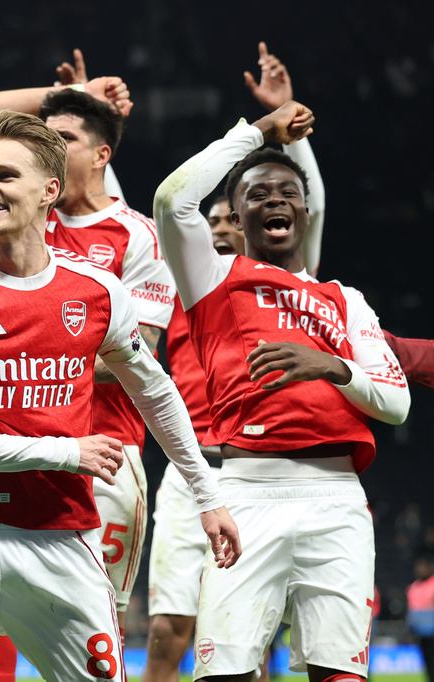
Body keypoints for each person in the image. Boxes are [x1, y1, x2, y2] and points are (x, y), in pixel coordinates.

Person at [0, 110, 239, 682]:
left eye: (5, 176)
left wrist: (207, 495)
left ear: (50, 191)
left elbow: (155, 392)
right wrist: (67, 453)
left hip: (63, 542)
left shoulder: (97, 289)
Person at [153, 100, 410, 682]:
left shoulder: (346, 299)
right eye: (257, 193)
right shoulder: (212, 278)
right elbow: (172, 199)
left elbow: (397, 405)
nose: (275, 199)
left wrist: (332, 367)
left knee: (339, 674)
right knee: (225, 673)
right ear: (236, 220)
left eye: (287, 191)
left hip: (338, 499)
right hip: (244, 494)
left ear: (305, 209)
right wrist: (258, 133)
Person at [0, 51, 174, 648]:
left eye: (64, 139)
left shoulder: (137, 236)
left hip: (104, 455)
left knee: (92, 631)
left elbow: (139, 360)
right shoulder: (24, 214)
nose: (45, 150)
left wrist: (32, 348)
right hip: (10, 444)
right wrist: (78, 90)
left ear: (102, 154)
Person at [144, 43, 324, 682]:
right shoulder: (178, 284)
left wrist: (289, 130)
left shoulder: (279, 285)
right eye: (212, 216)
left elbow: (311, 209)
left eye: (230, 217)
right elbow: (161, 211)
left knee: (253, 641)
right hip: (190, 472)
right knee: (168, 629)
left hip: (262, 474)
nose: (220, 226)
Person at [408, 554, 434, 682]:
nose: (420, 570)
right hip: (421, 632)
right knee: (427, 661)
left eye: (423, 567)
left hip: (432, 630)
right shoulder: (414, 586)